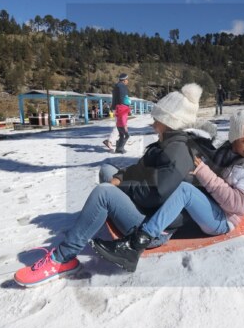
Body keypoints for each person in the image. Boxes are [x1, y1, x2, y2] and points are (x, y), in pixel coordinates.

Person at [14, 83, 205, 287]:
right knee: (108, 171)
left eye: (157, 119)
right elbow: (138, 169)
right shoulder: (167, 143)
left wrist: (120, 188)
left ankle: (63, 258)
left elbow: (156, 194)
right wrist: (121, 177)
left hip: (154, 228)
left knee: (103, 193)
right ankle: (94, 216)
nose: (153, 123)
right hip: (147, 208)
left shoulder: (177, 151)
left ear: (169, 121)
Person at [91, 109, 244, 272]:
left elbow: (236, 204)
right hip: (212, 208)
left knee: (185, 190)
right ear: (234, 139)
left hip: (223, 220)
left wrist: (204, 174)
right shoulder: (226, 154)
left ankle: (136, 244)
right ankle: (122, 207)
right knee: (178, 186)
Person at [104, 73, 131, 153]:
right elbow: (123, 98)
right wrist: (126, 105)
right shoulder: (122, 86)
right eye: (127, 80)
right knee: (120, 125)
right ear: (124, 80)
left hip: (117, 107)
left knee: (121, 124)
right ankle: (110, 141)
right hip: (120, 108)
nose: (128, 81)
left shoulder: (117, 86)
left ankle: (120, 140)